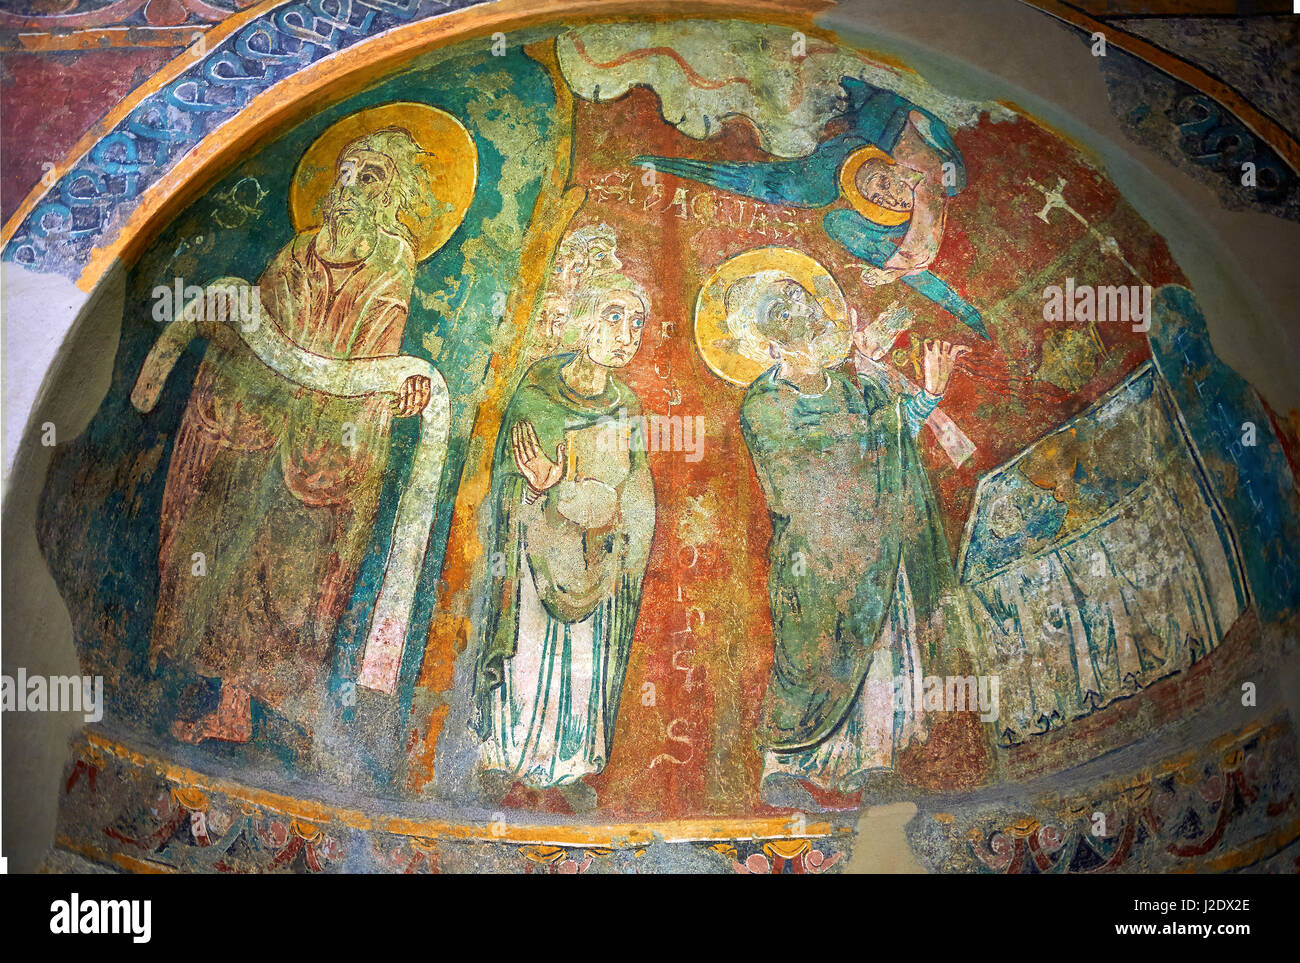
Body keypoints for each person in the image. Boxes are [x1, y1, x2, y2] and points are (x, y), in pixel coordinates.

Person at [149, 126, 434, 744]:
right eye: (347, 173)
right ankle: (221, 700)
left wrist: (395, 390)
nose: (351, 187)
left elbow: (376, 353)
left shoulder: (393, 263)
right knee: (223, 557)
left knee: (290, 576)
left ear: (389, 202)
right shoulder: (297, 250)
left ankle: (254, 709)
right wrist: (225, 323)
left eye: (371, 179)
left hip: (322, 448)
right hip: (260, 431)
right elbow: (263, 335)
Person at [730, 272, 968, 806]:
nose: (811, 340)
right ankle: (787, 764)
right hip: (811, 556)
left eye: (813, 326)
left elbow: (885, 437)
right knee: (809, 658)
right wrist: (875, 401)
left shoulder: (848, 388)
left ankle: (869, 760)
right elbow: (796, 474)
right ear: (770, 345)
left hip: (872, 546)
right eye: (794, 332)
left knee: (878, 646)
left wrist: (926, 394)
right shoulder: (764, 403)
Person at [472, 271, 656, 810]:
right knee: (532, 650)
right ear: (583, 322)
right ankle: (505, 753)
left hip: (598, 561)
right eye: (614, 317)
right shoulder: (537, 389)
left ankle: (574, 760)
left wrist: (614, 517)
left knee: (585, 660)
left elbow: (637, 492)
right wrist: (537, 490)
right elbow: (509, 479)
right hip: (537, 557)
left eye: (637, 323)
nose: (628, 334)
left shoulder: (629, 406)